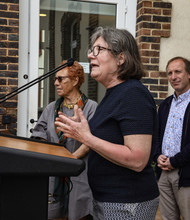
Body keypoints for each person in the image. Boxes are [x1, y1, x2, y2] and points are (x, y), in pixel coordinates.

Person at [54, 27, 159, 220]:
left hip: (127, 204)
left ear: (121, 58)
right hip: (109, 200)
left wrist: (86, 137)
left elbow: (137, 159)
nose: (90, 55)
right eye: (91, 49)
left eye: (98, 49)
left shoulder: (133, 94)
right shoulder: (113, 94)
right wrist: (82, 130)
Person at [31, 60, 97, 220]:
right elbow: (39, 137)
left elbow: (90, 142)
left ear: (75, 81)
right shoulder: (51, 108)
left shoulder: (91, 108)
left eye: (60, 79)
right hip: (53, 176)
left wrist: (69, 161)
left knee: (78, 214)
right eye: (55, 79)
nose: (55, 83)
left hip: (79, 177)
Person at [154, 56, 190, 220]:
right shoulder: (166, 104)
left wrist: (175, 161)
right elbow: (157, 135)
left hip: (186, 174)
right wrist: (157, 156)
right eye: (169, 73)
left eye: (178, 72)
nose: (173, 77)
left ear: (188, 74)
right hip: (164, 173)